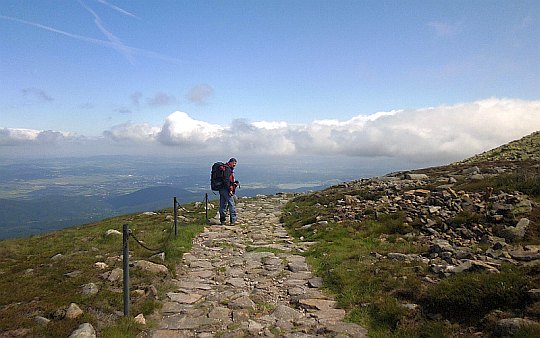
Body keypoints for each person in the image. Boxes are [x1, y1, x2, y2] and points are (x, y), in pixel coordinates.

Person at [219, 158, 239, 225]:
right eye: (234, 163)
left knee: (222, 205)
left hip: (221, 189)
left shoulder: (224, 168)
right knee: (231, 204)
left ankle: (222, 220)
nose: (234, 165)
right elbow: (227, 180)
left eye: (235, 163)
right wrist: (230, 189)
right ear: (230, 162)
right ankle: (232, 220)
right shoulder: (227, 169)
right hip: (226, 189)